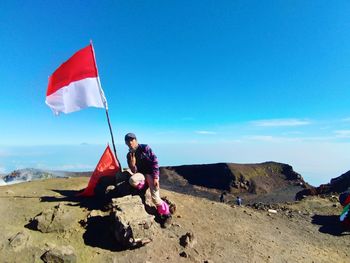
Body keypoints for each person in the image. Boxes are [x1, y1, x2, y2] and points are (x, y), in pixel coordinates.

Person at [124, 132, 172, 226]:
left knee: (156, 199)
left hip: (150, 174)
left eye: (132, 140)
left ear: (136, 140)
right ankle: (143, 186)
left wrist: (156, 178)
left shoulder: (145, 148)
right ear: (126, 143)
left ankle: (167, 215)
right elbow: (134, 171)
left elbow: (155, 161)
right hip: (141, 174)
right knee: (132, 180)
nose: (130, 142)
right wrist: (133, 164)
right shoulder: (129, 155)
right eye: (128, 141)